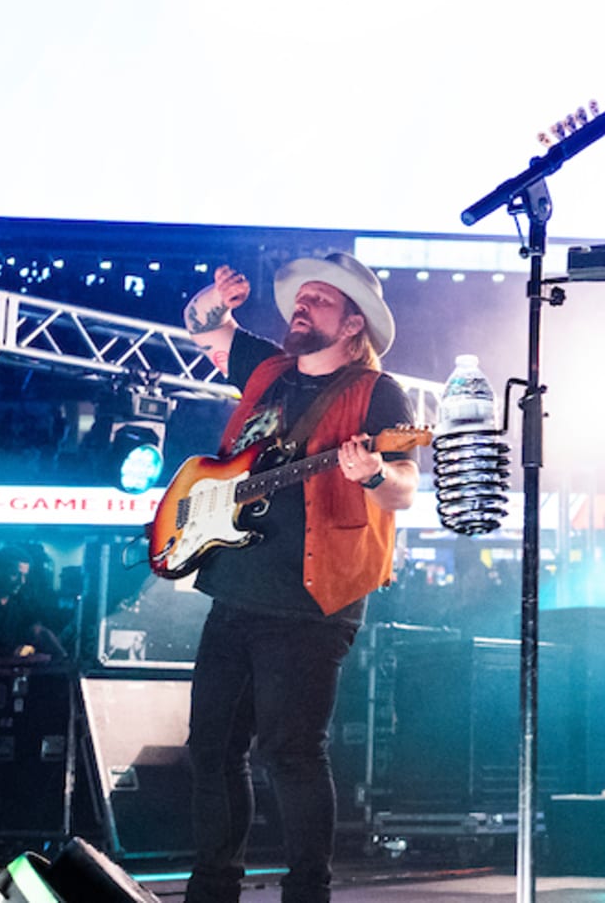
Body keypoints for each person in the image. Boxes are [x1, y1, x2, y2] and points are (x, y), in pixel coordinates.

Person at [178, 252, 417, 903]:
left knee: (290, 753)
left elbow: (402, 490)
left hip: (313, 599)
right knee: (211, 750)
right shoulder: (268, 370)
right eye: (301, 297)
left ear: (352, 327)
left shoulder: (379, 394)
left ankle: (307, 893)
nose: (302, 306)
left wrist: (370, 473)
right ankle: (212, 889)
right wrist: (214, 298)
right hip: (234, 588)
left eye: (322, 299)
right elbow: (200, 325)